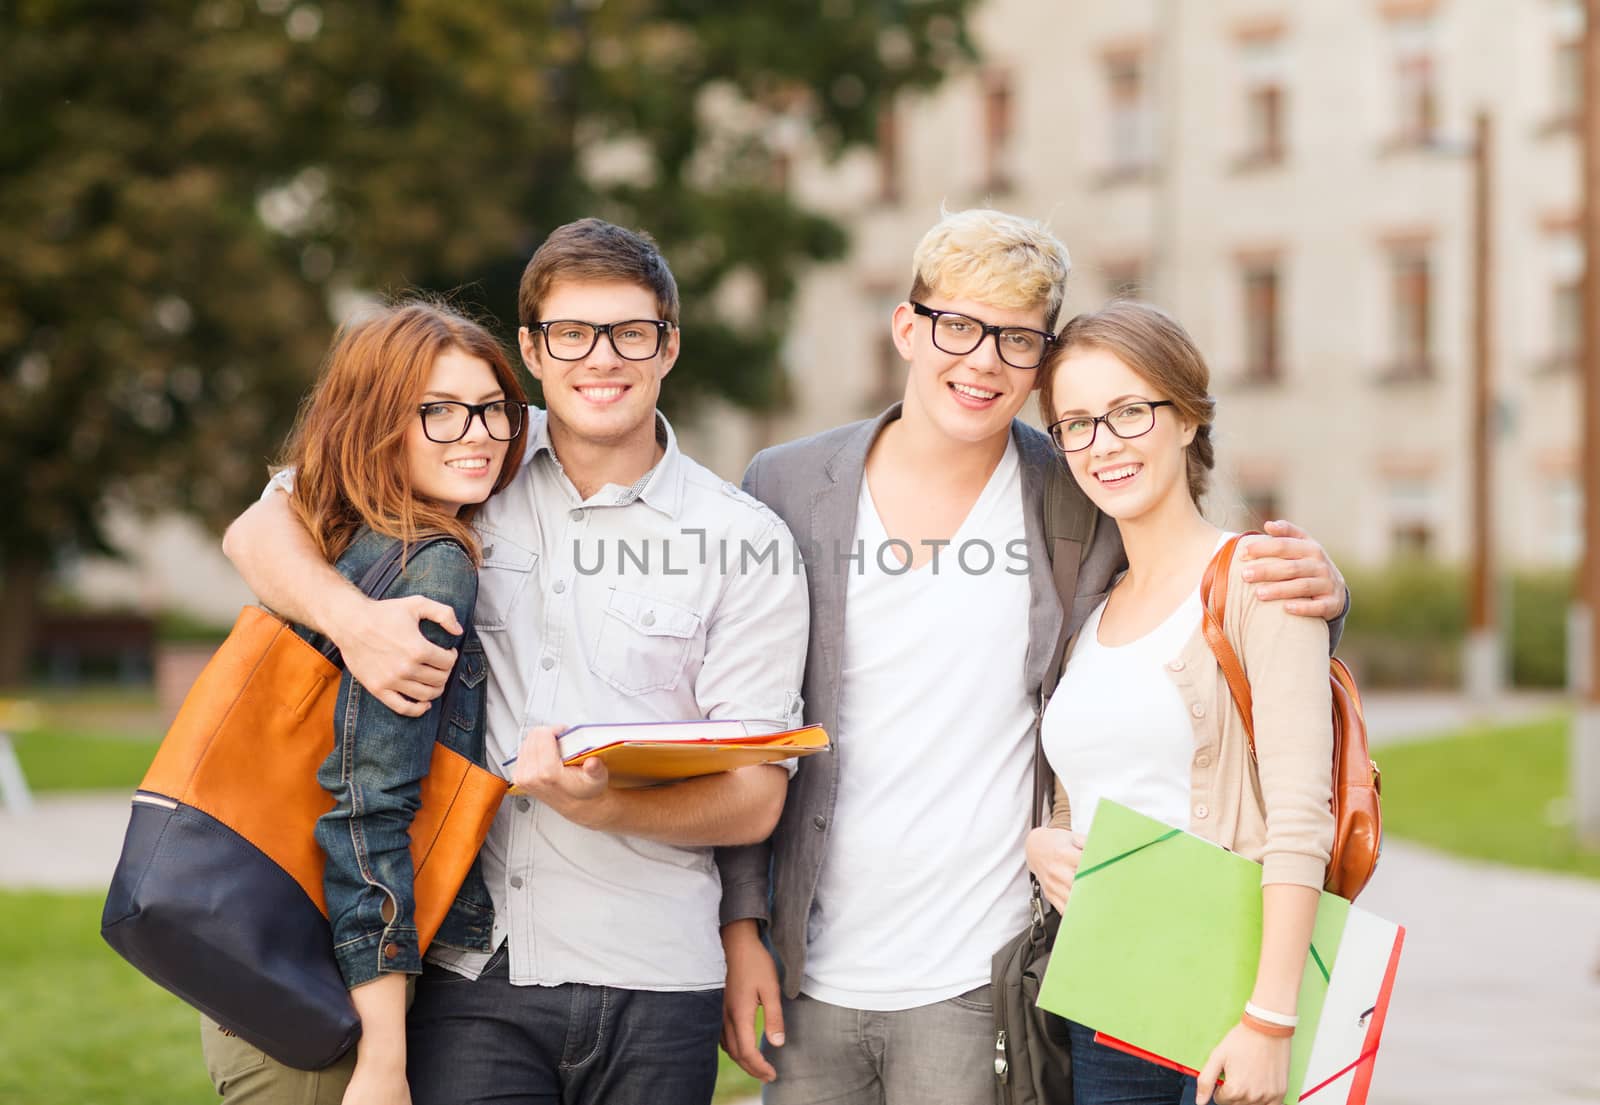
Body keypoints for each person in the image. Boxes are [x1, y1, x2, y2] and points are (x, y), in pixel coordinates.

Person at [717, 208, 1349, 1105]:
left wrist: (1322, 589)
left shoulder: (1070, 486)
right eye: (959, 327)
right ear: (908, 327)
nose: (982, 361)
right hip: (816, 967)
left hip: (988, 977)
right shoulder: (786, 485)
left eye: (1016, 340)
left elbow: (1216, 580)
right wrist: (743, 922)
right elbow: (746, 717)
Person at [222, 218, 809, 1105]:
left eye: (630, 333)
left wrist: (607, 803)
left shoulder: (744, 540)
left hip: (655, 977)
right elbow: (262, 524)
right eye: (572, 333)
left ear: (669, 346)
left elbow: (756, 798)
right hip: (471, 972)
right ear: (532, 348)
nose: (601, 359)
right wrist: (356, 622)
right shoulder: (466, 453)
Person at [202, 299, 528, 1103]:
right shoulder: (431, 564)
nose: (478, 433)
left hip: (258, 956)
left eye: (492, 410)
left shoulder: (331, 535)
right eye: (441, 412)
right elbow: (366, 813)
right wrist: (384, 1057)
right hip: (336, 1000)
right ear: (380, 422)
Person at [1027, 300, 1335, 1105]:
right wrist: (1049, 843)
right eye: (1077, 423)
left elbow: (1303, 817)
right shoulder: (1091, 608)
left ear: (1188, 417)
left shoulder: (1259, 580)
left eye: (1129, 412)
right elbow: (1100, 781)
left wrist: (1270, 1021)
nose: (1104, 445)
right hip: (1107, 998)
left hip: (1221, 1003)